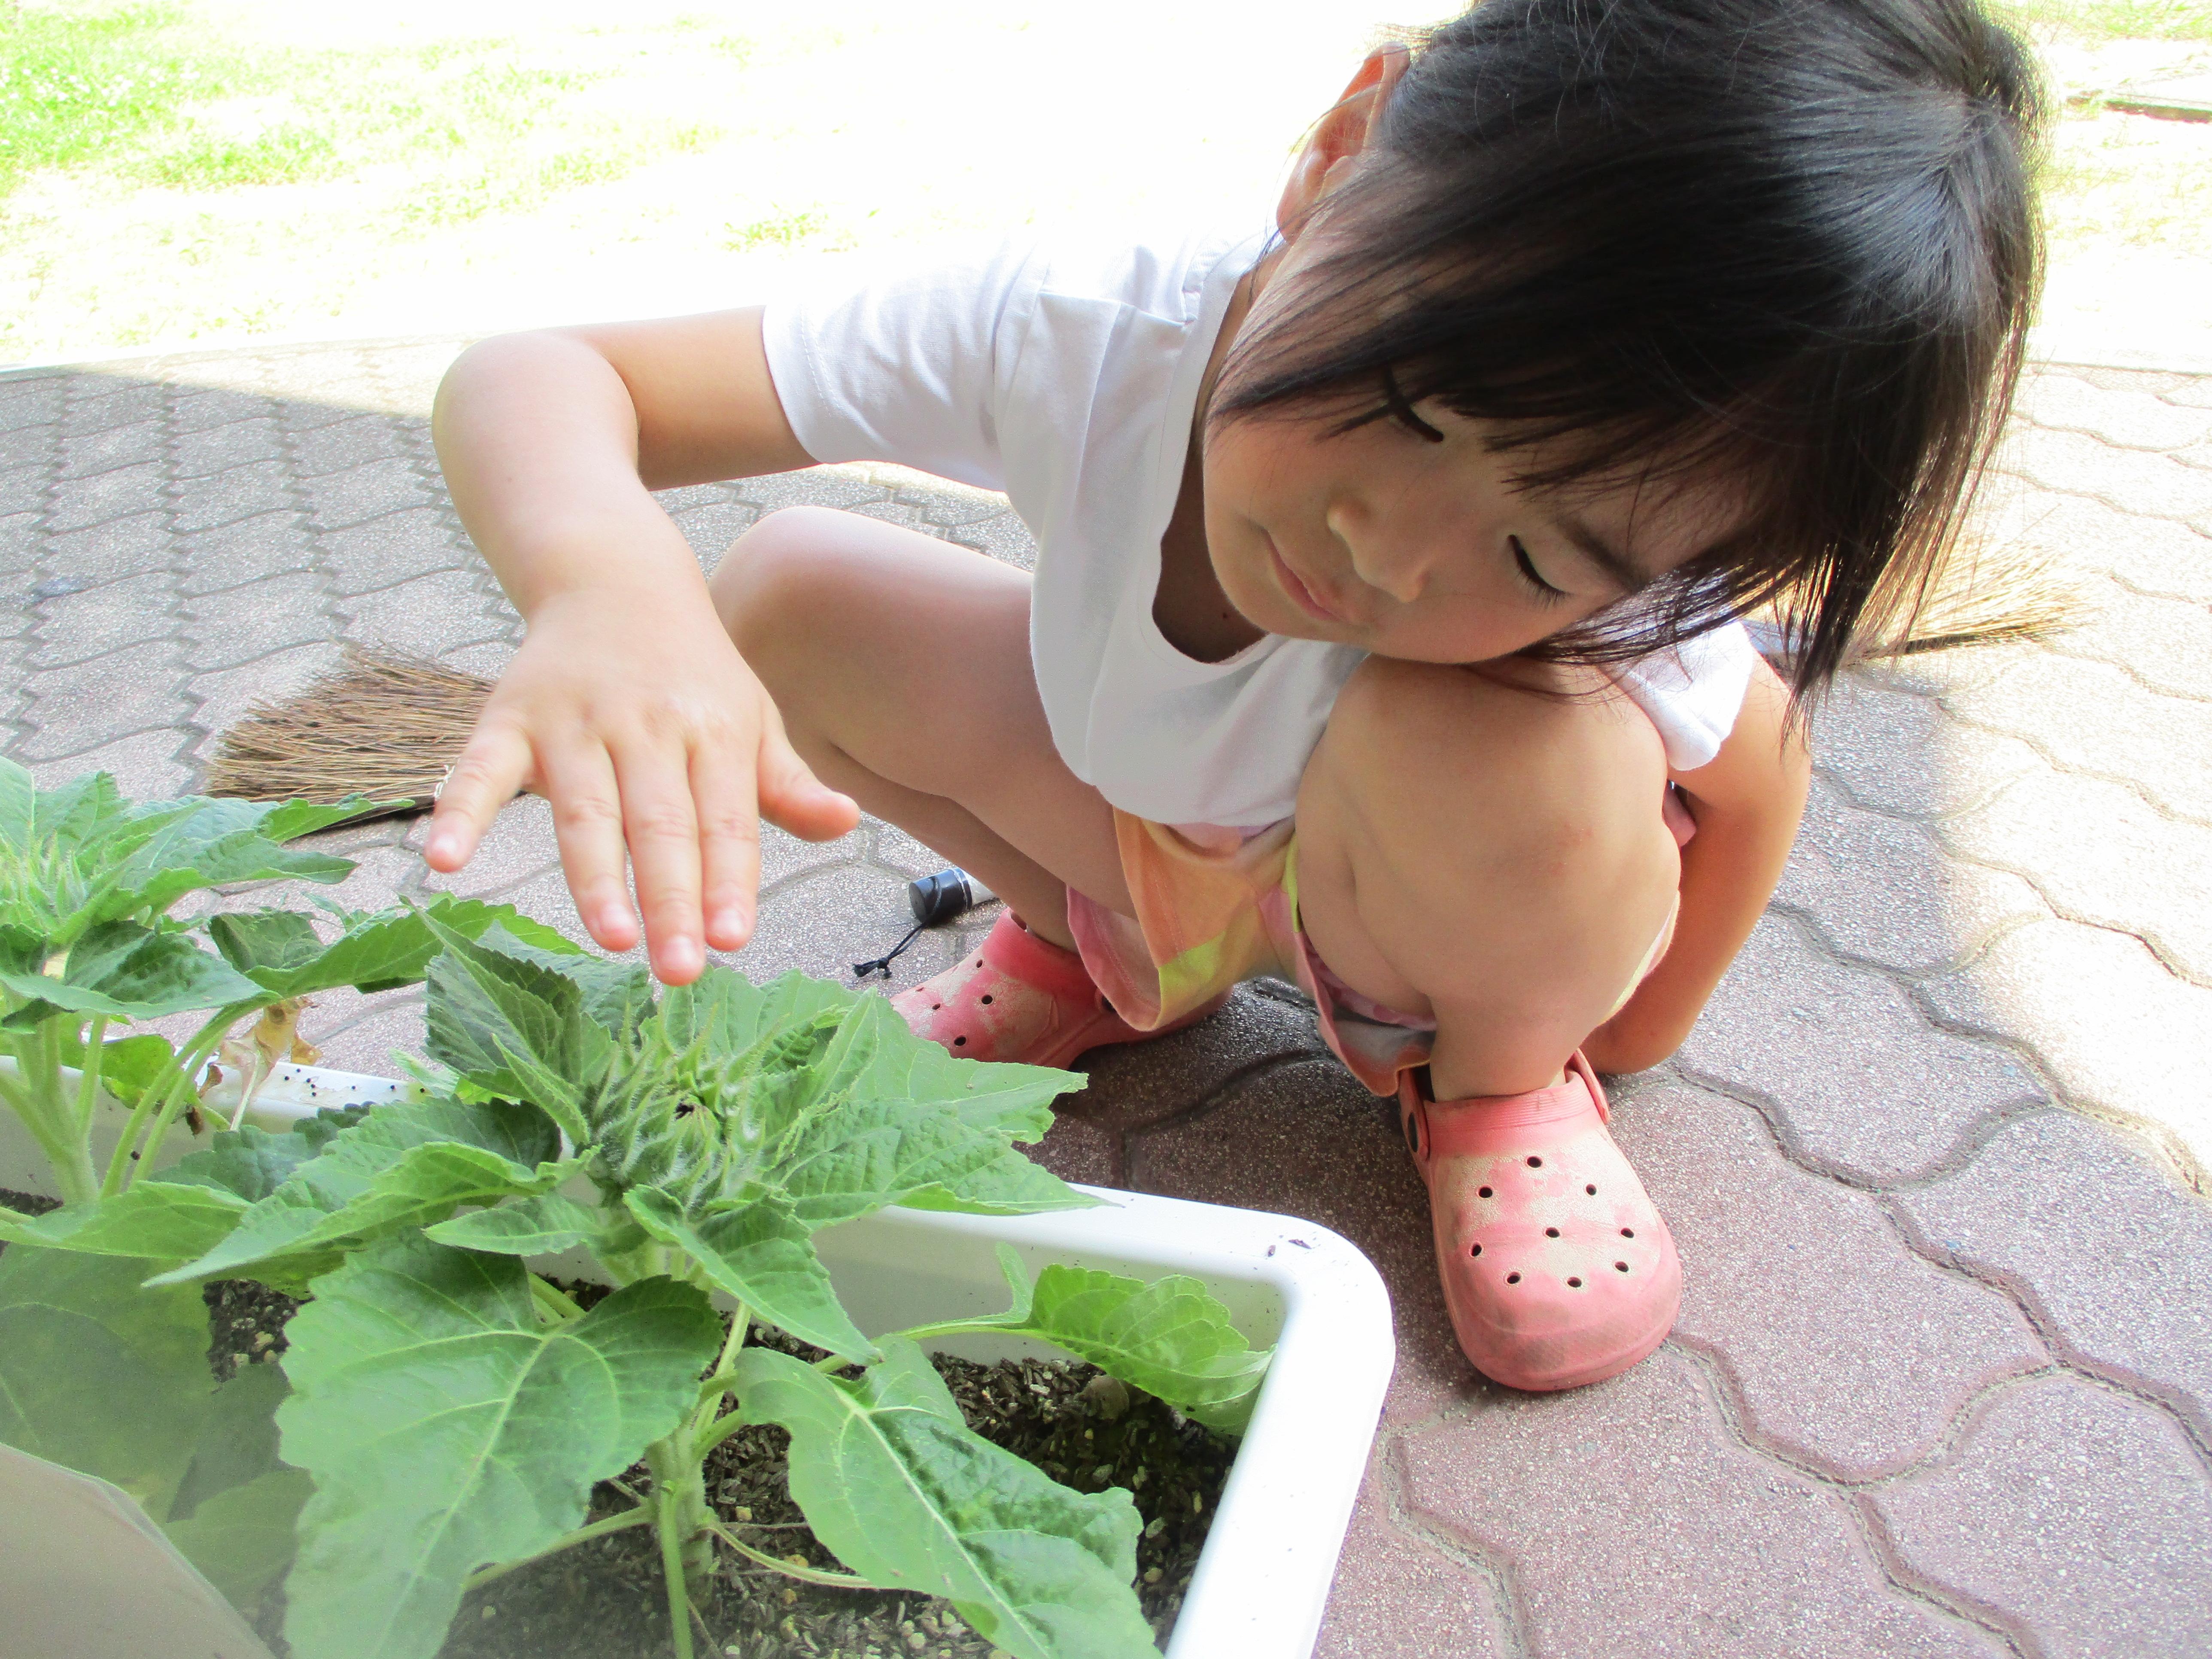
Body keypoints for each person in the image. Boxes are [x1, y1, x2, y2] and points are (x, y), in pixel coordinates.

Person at [425, 0, 2044, 1392]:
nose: (1388, 551)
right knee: (784, 594)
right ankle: (1095, 954)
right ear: (1350, 139)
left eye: (1540, 557)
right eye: (1409, 400)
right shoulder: (1083, 323)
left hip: (1409, 938)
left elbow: (1759, 768)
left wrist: (1620, 1033)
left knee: (1509, 750)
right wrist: (610, 590)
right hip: (1145, 831)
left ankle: (1496, 1097)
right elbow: (545, 374)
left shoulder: (1653, 530)